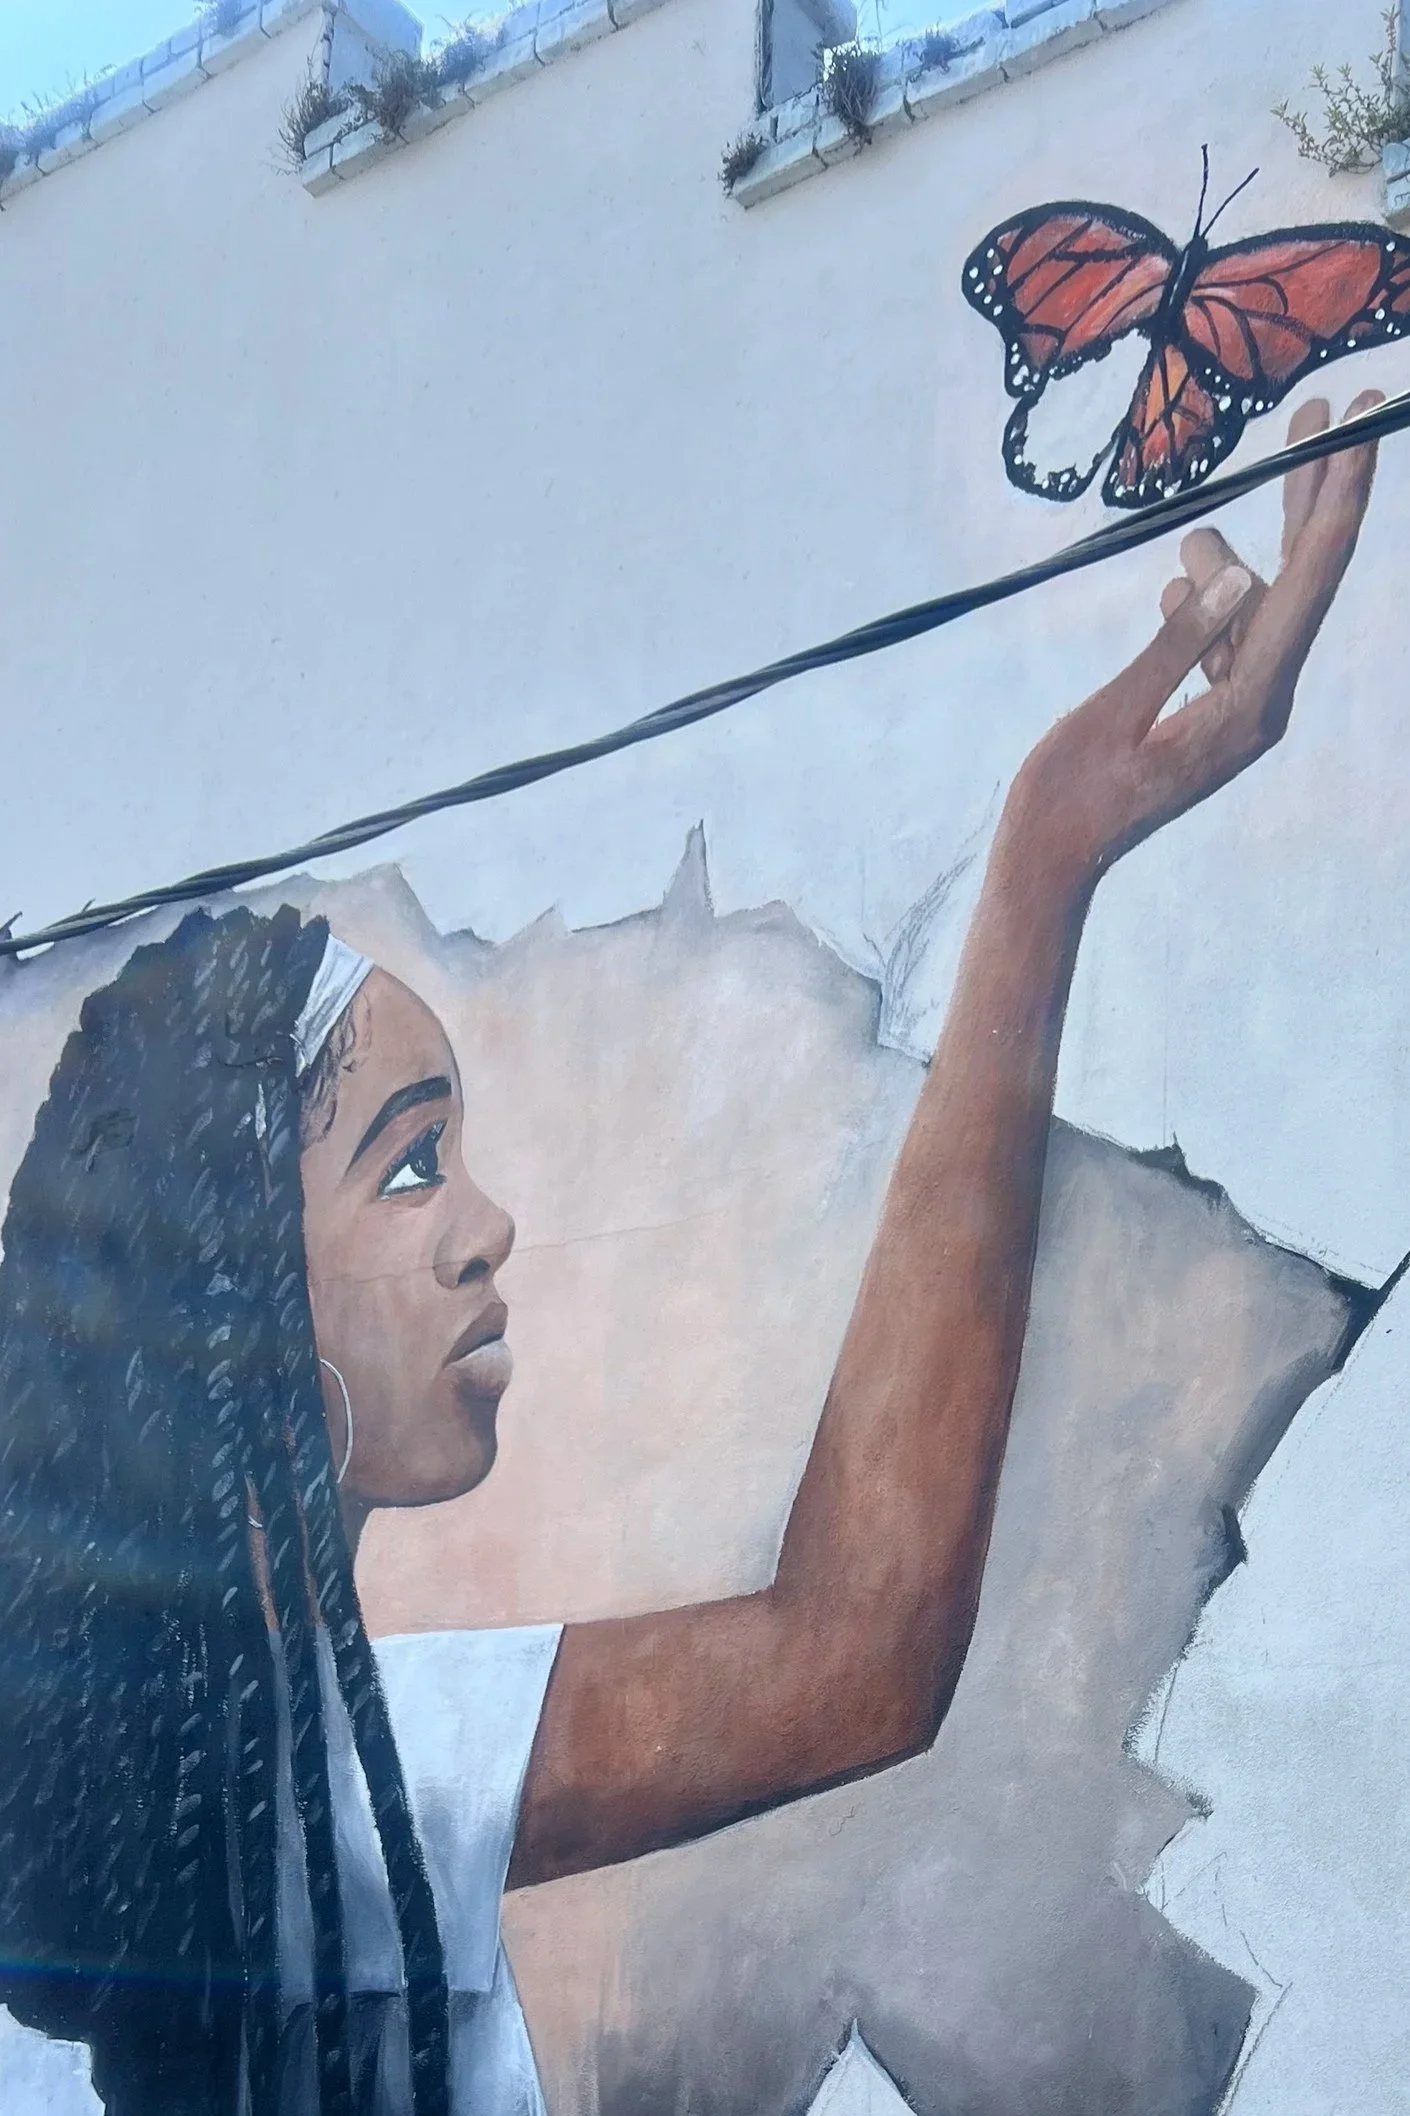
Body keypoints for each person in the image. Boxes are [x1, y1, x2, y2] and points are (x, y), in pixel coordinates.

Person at [0, 397, 1381, 2116]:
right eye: (408, 1165)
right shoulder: (303, 1787)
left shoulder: (210, 1775)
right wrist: (1042, 859)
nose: (488, 1225)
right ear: (229, 1300)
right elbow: (852, 1654)